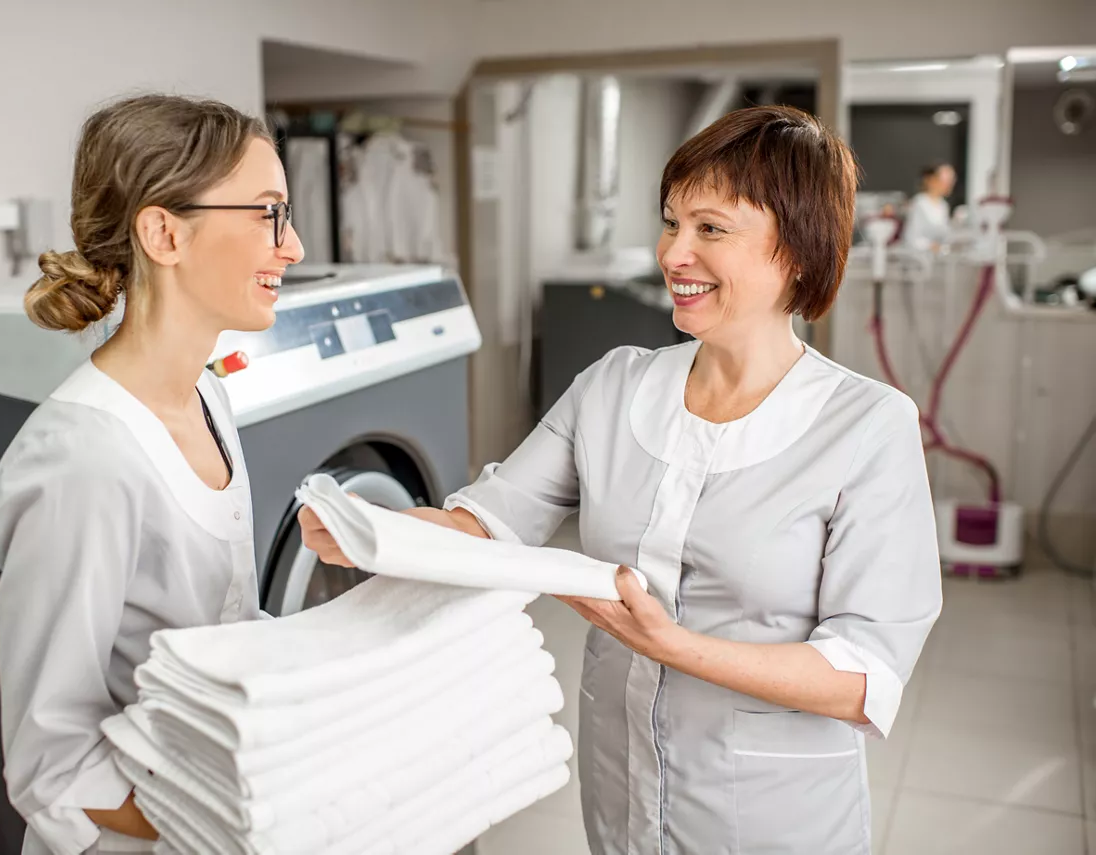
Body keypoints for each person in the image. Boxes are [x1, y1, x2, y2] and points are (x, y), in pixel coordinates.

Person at [300, 105, 942, 853]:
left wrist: (673, 644)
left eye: (711, 228)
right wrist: (367, 527)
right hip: (622, 785)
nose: (674, 253)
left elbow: (862, 674)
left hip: (771, 813)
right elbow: (489, 526)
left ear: (797, 251)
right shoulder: (614, 386)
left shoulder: (867, 426)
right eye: (671, 223)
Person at [0, 94, 304, 854]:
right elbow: (51, 761)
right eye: (269, 214)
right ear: (163, 232)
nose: (292, 247)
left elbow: (225, 629)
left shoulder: (208, 396)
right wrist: (227, 806)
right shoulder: (82, 458)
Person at [902, 162, 957, 250]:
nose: (949, 183)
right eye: (946, 179)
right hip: (919, 258)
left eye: (952, 179)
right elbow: (911, 238)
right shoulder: (919, 203)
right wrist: (929, 246)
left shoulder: (943, 205)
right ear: (931, 180)